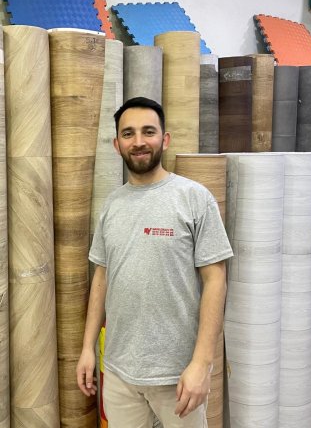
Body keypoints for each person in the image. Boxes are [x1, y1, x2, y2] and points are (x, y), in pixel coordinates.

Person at [76, 97, 233, 427]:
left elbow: (215, 279)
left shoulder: (194, 198)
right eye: (128, 133)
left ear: (165, 139)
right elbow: (102, 277)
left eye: (148, 131)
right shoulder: (112, 205)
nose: (139, 141)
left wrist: (202, 363)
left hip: (178, 375)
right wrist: (88, 347)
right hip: (119, 373)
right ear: (117, 145)